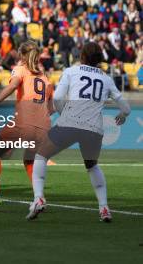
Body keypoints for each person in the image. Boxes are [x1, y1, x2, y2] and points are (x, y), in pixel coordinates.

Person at [27, 42, 131, 222]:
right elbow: (126, 107)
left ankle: (39, 198)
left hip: (70, 123)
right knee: (92, 165)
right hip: (94, 129)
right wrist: (122, 115)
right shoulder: (106, 79)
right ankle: (104, 208)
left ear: (82, 56)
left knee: (40, 155)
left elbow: (58, 98)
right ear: (99, 60)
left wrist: (64, 114)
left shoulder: (70, 71)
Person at [0, 40, 53, 211]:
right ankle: (39, 198)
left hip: (24, 121)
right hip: (44, 126)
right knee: (29, 160)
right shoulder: (45, 78)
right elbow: (51, 108)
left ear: (22, 55)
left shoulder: (20, 69)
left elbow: (13, 85)